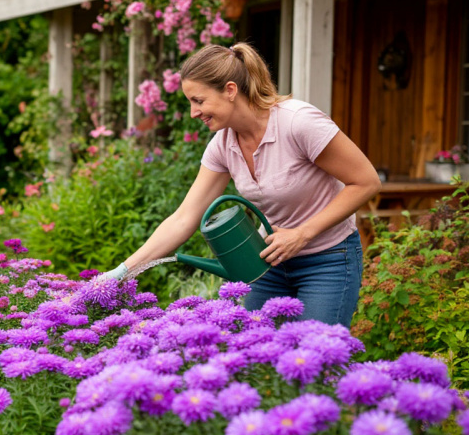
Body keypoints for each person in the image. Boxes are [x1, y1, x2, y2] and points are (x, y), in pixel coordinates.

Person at [102, 43, 380, 328]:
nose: (193, 112)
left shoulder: (298, 123)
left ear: (230, 90)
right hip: (268, 264)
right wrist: (120, 273)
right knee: (252, 357)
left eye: (198, 100)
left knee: (317, 359)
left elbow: (366, 182)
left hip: (328, 260)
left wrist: (302, 234)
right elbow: (184, 218)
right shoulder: (223, 146)